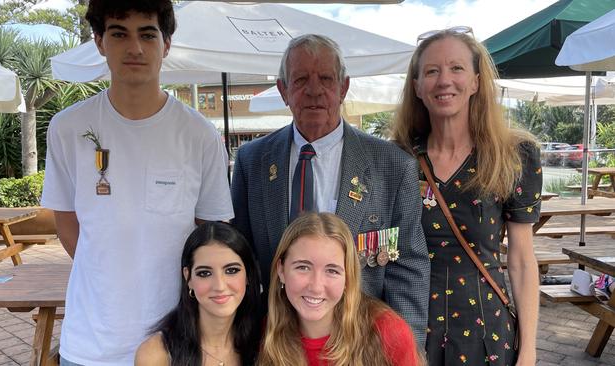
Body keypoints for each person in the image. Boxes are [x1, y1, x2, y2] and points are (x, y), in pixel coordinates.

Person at [41, 1, 233, 364]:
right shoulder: (66, 128)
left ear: (167, 44)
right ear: (99, 41)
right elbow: (66, 222)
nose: (135, 48)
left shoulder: (200, 135)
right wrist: (107, 271)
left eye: (147, 34)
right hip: (90, 343)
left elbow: (211, 235)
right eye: (119, 33)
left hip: (177, 340)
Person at [231, 34, 430, 345]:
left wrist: (406, 350)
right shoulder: (252, 161)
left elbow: (408, 266)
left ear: (343, 87)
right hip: (276, 342)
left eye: (325, 78)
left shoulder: (393, 166)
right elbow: (243, 258)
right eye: (300, 80)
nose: (314, 90)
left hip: (362, 343)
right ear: (284, 91)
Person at [393, 26, 541, 365]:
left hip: (485, 332)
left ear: (476, 81)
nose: (445, 80)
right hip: (410, 326)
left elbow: (520, 259)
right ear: (416, 87)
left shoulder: (514, 155)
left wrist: (529, 349)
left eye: (456, 68)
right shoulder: (397, 159)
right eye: (432, 71)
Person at [258, 212, 421, 366]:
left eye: (332, 271)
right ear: (281, 270)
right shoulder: (267, 332)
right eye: (303, 267)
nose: (316, 287)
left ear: (348, 278)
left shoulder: (388, 333)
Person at [135, 221, 262, 365]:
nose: (219, 286)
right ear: (188, 277)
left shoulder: (266, 343)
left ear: (248, 275)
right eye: (205, 273)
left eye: (231, 270)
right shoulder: (156, 353)